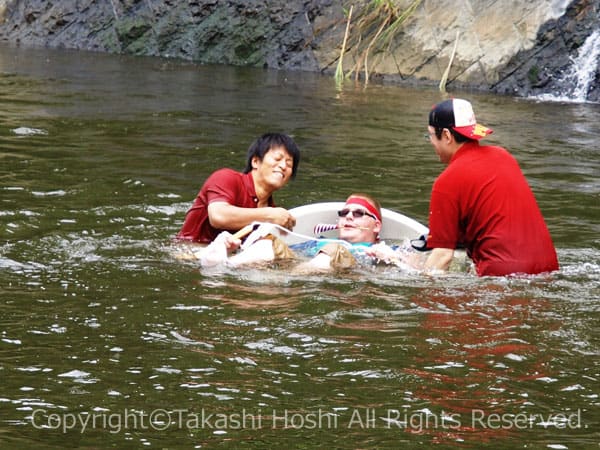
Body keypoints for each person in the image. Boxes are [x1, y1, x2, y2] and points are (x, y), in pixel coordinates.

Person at [416, 98, 558, 276]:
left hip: (500, 278)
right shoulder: (504, 156)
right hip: (549, 269)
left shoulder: (446, 181)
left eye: (430, 135)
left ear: (446, 135)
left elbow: (442, 256)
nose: (430, 142)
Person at [199, 193, 388, 271]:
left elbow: (417, 268)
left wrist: (392, 257)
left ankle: (287, 280)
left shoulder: (383, 250)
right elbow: (291, 253)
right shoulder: (316, 241)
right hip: (300, 266)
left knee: (333, 249)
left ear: (376, 226)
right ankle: (223, 266)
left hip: (342, 271)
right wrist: (234, 248)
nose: (348, 217)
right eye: (344, 213)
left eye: (358, 213)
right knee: (269, 241)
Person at [175, 133, 300, 243]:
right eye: (277, 159)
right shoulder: (225, 178)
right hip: (188, 254)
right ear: (255, 161)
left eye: (289, 164)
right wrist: (269, 216)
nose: (283, 166)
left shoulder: (274, 211)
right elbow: (218, 216)